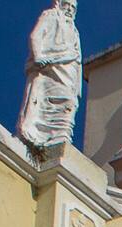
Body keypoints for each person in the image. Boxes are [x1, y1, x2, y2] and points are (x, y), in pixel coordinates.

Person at [18, 0, 82, 151]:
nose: (70, 10)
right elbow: (35, 36)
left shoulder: (74, 30)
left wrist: (77, 86)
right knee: (46, 99)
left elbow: (77, 56)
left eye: (73, 8)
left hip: (68, 70)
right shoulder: (50, 15)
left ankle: (62, 135)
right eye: (67, 5)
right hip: (49, 67)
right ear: (59, 3)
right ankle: (42, 136)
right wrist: (38, 56)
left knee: (69, 102)